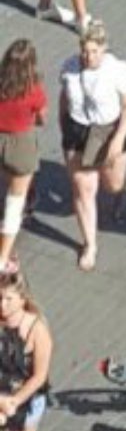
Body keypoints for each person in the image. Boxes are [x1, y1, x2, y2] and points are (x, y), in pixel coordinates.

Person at [58, 22, 126, 271]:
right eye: (84, 50)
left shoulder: (118, 70)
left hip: (108, 130)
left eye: (94, 51)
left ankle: (121, 193)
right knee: (83, 188)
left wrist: (117, 139)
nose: (88, 56)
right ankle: (89, 244)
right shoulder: (69, 68)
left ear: (104, 49)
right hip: (78, 130)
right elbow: (64, 98)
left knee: (111, 184)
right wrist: (64, 127)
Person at [0, 47, 46, 266]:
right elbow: (41, 117)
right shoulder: (33, 90)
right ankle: (3, 256)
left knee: (6, 179)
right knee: (15, 202)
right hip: (21, 144)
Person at [0, 264, 52, 431]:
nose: (2, 304)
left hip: (26, 396)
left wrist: (14, 401)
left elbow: (39, 376)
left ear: (22, 299)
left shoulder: (37, 329)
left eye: (8, 299)